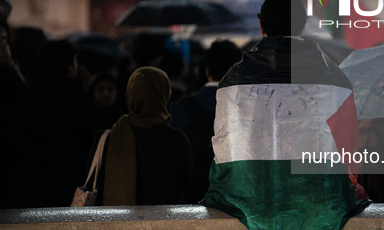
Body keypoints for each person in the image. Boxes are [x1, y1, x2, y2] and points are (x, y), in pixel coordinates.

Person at [203, 0, 369, 230]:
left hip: (249, 202)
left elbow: (225, 147)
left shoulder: (231, 80)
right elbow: (348, 154)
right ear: (302, 26)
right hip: (320, 206)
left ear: (262, 26)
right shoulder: (335, 78)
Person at [14, 39, 99, 207]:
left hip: (36, 183)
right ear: (69, 66)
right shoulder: (81, 102)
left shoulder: (27, 101)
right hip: (72, 182)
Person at [91, 66, 192, 205]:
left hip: (115, 224)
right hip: (165, 224)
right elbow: (186, 188)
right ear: (164, 94)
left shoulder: (109, 138)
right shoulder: (177, 140)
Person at [170, 39, 242, 203]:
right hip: (237, 201)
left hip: (191, 197)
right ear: (238, 71)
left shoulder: (181, 109)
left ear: (207, 71)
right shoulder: (254, 109)